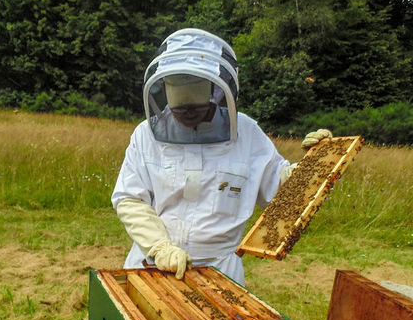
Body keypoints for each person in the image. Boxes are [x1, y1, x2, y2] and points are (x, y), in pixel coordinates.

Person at [111, 28, 330, 286]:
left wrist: (314, 164)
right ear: (163, 91)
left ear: (215, 91)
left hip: (219, 270)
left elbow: (279, 190)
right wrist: (160, 247)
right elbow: (129, 198)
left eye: (196, 106)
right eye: (180, 108)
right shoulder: (145, 136)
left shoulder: (246, 133)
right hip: (152, 263)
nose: (188, 114)